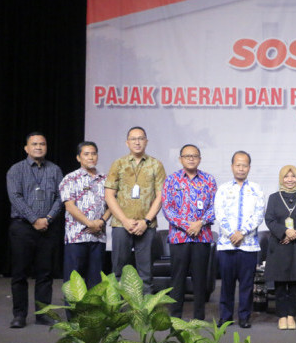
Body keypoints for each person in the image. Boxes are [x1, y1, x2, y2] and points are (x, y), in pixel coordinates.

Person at [6, 131, 63, 328]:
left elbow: (60, 198)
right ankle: (19, 315)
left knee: (45, 274)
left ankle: (42, 314)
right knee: (20, 273)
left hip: (48, 227)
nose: (39, 147)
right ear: (26, 148)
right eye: (35, 144)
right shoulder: (16, 170)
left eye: (42, 144)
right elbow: (15, 197)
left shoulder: (55, 170)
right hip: (22, 228)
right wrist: (34, 219)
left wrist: (47, 218)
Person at [104, 126, 166, 294]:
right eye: (133, 139)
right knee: (118, 271)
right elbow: (109, 195)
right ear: (127, 142)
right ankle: (116, 311)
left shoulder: (156, 165)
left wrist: (146, 221)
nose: (137, 142)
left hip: (147, 225)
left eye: (140, 138)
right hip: (120, 224)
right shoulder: (118, 164)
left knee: (146, 273)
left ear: (146, 141)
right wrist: (124, 220)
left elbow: (161, 196)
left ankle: (144, 313)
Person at [161, 144, 217, 320]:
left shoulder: (209, 180)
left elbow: (216, 206)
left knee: (200, 280)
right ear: (180, 159)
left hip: (202, 237)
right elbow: (167, 208)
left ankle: (199, 318)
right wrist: (187, 225)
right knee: (177, 279)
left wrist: (199, 223)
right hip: (179, 238)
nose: (191, 158)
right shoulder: (171, 180)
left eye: (195, 156)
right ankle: (175, 317)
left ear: (199, 159)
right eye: (187, 156)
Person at [214, 151, 265, 328]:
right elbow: (219, 213)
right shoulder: (223, 189)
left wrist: (242, 232)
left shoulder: (256, 189)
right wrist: (231, 234)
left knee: (246, 285)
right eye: (238, 165)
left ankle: (244, 317)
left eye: (244, 165)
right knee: (226, 284)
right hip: (227, 245)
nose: (241, 168)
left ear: (249, 168)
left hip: (248, 246)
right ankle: (225, 316)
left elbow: (259, 214)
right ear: (232, 166)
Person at [264, 165, 296, 330]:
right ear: (281, 179)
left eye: (293, 177)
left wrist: (295, 233)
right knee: (280, 285)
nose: (290, 180)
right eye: (286, 177)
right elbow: (269, 220)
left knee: (294, 285)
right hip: (279, 246)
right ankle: (281, 316)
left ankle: (291, 315)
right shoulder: (273, 197)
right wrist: (284, 232)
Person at [59, 141, 110, 290]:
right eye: (86, 154)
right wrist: (89, 223)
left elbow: (112, 205)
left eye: (93, 154)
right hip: (76, 237)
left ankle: (94, 314)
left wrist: (101, 221)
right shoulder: (70, 179)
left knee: (96, 282)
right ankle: (74, 314)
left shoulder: (105, 179)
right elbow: (69, 206)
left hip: (98, 237)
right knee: (74, 282)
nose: (90, 157)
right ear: (78, 158)